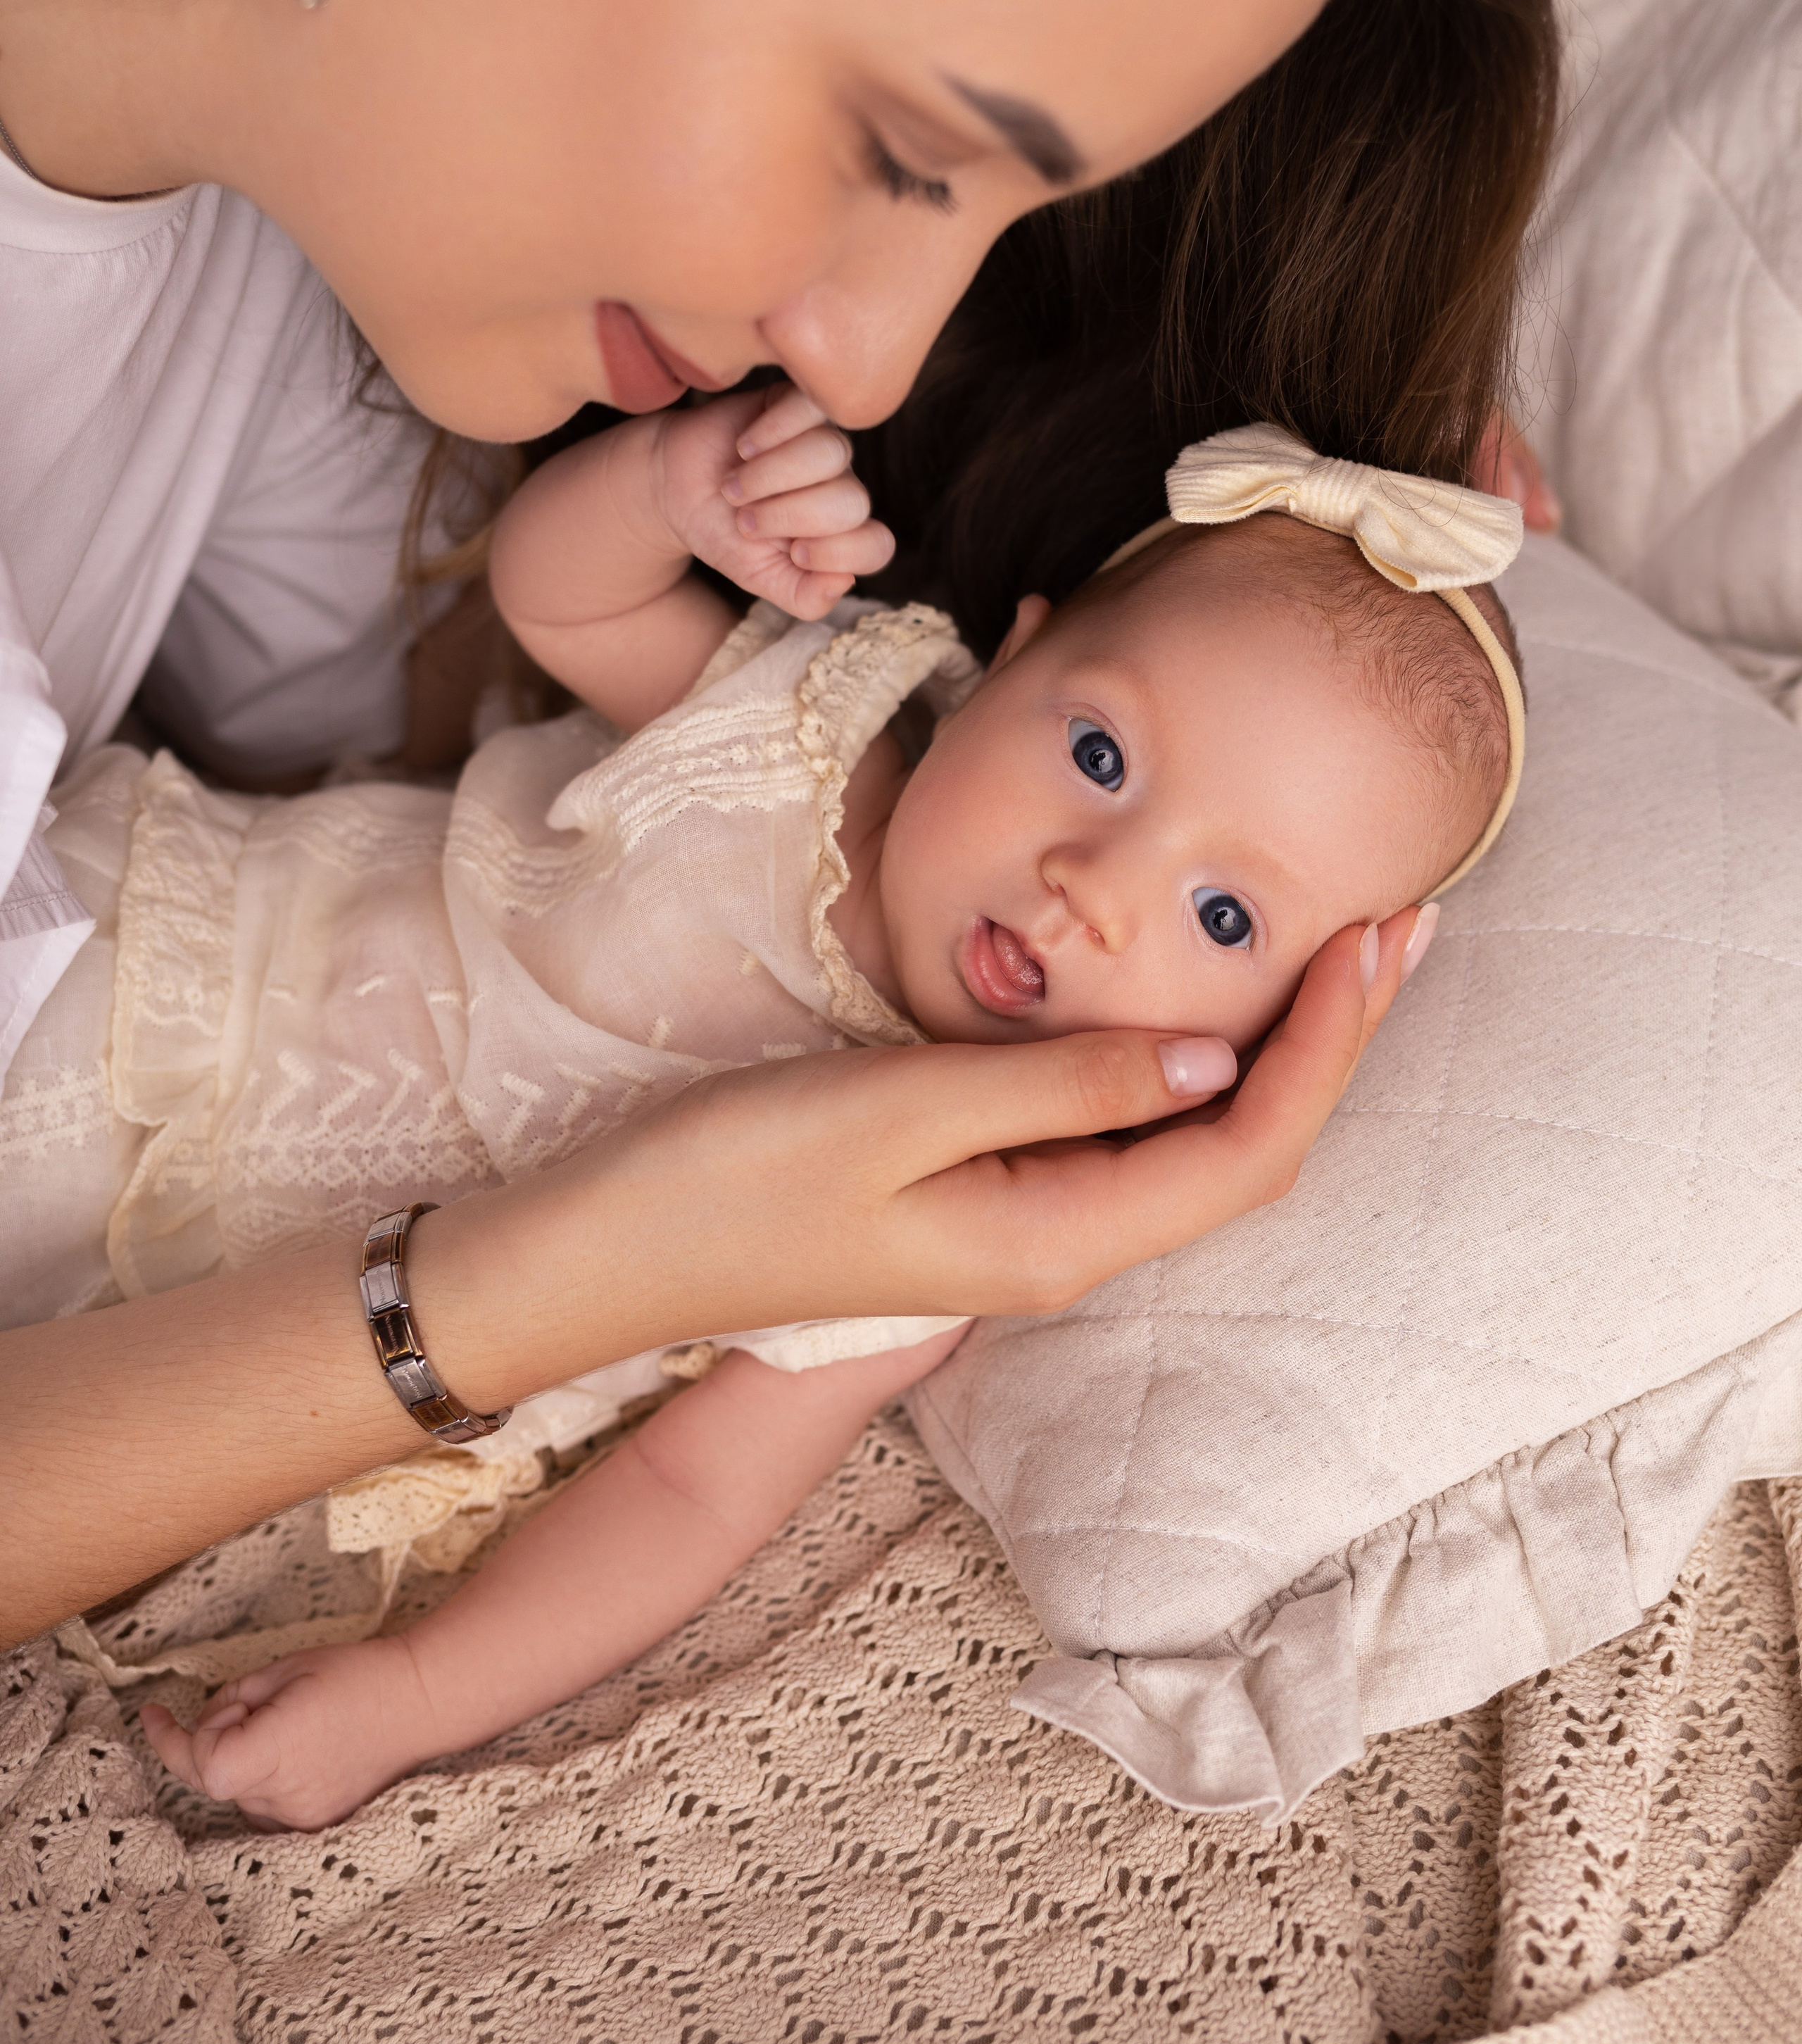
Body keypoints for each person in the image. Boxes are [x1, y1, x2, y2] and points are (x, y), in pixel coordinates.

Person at [0, 0, 1563, 1646]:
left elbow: (416, 735)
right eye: (901, 152)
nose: (863, 353)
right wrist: (590, 1271)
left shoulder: (263, 220)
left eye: (1001, 211)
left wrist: (1316, 579)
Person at [118, 403, 1523, 1827]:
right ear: (1008, 662)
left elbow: (688, 1494)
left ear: (1282, 1031)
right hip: (168, 962)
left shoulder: (939, 1227)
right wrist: (667, 490)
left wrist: (411, 1695)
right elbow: (560, 600)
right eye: (1100, 757)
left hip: (188, 1329)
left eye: (1222, 916)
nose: (1091, 885)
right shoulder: (802, 740)